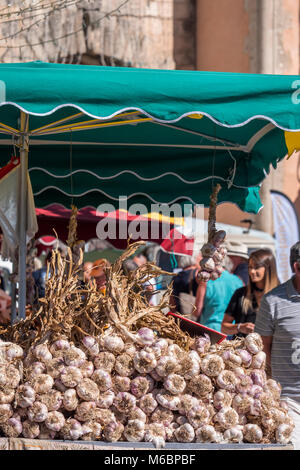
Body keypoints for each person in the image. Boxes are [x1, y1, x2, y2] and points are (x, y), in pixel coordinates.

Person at [255, 242, 300, 450]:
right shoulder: (272, 301)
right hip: (289, 401)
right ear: (297, 267)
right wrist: (272, 393)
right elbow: (262, 350)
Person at [222, 248, 279, 338]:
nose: (252, 271)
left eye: (256, 267)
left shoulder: (280, 296)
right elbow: (224, 327)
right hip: (242, 350)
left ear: (268, 268)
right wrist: (240, 327)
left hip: (269, 350)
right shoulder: (240, 294)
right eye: (250, 267)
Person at [194, 257, 243, 332]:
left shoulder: (206, 281)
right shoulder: (239, 281)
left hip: (209, 330)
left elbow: (197, 311)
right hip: (230, 330)